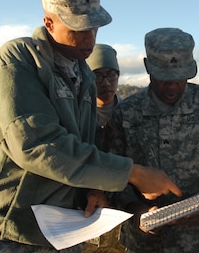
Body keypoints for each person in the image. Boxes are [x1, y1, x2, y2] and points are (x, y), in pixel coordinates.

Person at [0, 0, 181, 253]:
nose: (89, 38)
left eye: (94, 28)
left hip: (65, 230)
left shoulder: (82, 73)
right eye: (78, 28)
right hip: (18, 230)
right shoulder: (19, 59)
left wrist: (95, 189)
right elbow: (36, 144)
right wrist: (132, 173)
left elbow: (86, 141)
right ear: (49, 22)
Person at [109, 27, 199, 253]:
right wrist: (135, 210)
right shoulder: (127, 112)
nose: (173, 85)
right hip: (146, 244)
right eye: (164, 78)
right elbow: (113, 171)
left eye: (180, 77)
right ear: (147, 66)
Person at [82, 44, 125, 253]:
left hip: (123, 213)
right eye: (97, 76)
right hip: (85, 213)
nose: (106, 83)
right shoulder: (77, 115)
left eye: (112, 75)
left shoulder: (130, 114)